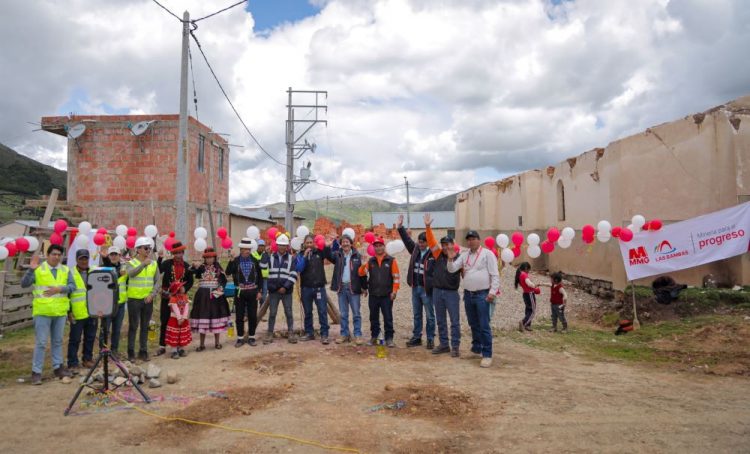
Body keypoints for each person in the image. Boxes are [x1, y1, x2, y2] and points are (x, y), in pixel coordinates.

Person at [21, 245, 75, 385]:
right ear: (48, 254)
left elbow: (72, 286)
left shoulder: (65, 269)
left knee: (57, 341)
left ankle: (58, 368)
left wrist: (60, 289)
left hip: (60, 312)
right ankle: (36, 372)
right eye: (54, 254)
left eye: (59, 255)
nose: (56, 257)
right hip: (43, 312)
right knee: (41, 343)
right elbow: (24, 284)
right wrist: (30, 270)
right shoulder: (39, 269)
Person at [446, 230, 500, 368]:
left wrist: (492, 292)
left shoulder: (487, 254)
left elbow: (495, 274)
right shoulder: (465, 255)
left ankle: (487, 354)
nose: (470, 241)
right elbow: (452, 269)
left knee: (484, 325)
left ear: (478, 239)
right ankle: (477, 348)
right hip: (468, 294)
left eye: (473, 239)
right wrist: (450, 258)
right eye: (468, 239)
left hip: (483, 294)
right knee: (473, 323)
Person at [423, 214, 462, 357]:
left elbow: (467, 274)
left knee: (455, 321)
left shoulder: (459, 258)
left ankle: (455, 346)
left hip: (452, 293)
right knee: (440, 320)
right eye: (443, 245)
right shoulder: (438, 254)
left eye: (448, 244)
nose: (445, 247)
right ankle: (444, 344)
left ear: (453, 244)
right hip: (437, 292)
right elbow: (431, 241)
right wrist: (428, 227)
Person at [396, 214, 436, 350]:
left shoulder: (433, 254)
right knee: (417, 314)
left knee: (430, 315)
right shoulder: (415, 250)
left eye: (423, 242)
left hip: (427, 290)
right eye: (419, 241)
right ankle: (417, 337)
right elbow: (407, 241)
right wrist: (400, 228)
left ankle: (430, 339)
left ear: (428, 242)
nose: (420, 244)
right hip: (415, 288)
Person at [358, 237, 400, 347]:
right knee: (373, 318)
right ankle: (374, 337)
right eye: (376, 246)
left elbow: (396, 278)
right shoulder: (370, 261)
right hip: (373, 295)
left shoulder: (391, 260)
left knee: (388, 317)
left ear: (384, 246)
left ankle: (389, 338)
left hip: (387, 295)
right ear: (374, 248)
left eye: (380, 245)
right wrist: (363, 264)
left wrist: (394, 291)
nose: (378, 248)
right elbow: (361, 273)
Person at [125, 237, 161, 363]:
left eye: (149, 248)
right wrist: (142, 264)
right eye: (145, 248)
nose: (148, 250)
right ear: (138, 249)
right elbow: (131, 274)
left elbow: (157, 281)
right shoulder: (131, 262)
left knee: (145, 326)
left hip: (148, 300)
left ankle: (143, 351)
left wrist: (152, 294)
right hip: (134, 299)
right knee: (133, 326)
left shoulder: (154, 264)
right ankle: (130, 352)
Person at [155, 241, 194, 356]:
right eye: (176, 253)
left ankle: (179, 346)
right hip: (167, 297)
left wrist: (185, 288)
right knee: (165, 320)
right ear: (173, 254)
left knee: (179, 321)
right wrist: (159, 259)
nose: (178, 255)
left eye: (180, 253)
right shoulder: (166, 264)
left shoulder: (187, 266)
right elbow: (157, 271)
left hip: (180, 300)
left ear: (183, 253)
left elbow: (191, 281)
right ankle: (162, 345)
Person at [296, 234, 335, 344]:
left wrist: (327, 246)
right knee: (308, 312)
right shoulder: (300, 255)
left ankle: (324, 334)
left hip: (319, 288)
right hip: (306, 288)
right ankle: (309, 333)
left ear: (314, 243)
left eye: (311, 242)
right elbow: (298, 269)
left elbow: (329, 255)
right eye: (307, 243)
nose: (309, 245)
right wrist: (304, 256)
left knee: (322, 311)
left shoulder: (320, 252)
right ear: (304, 244)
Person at [189, 247, 231, 350]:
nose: (209, 259)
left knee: (216, 318)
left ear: (214, 257)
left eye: (211, 257)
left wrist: (217, 293)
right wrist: (194, 266)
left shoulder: (218, 268)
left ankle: (217, 343)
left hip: (216, 297)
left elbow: (223, 280)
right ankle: (202, 344)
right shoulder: (202, 267)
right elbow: (193, 272)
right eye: (207, 258)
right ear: (204, 258)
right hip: (202, 296)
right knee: (202, 319)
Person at [226, 238, 263, 347]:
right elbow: (228, 272)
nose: (247, 251)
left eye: (248, 249)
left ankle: (252, 337)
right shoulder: (236, 261)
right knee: (239, 316)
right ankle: (240, 338)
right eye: (244, 249)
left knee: (252, 315)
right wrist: (231, 261)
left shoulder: (255, 261)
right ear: (241, 249)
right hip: (240, 292)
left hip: (253, 291)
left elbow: (260, 277)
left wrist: (259, 291)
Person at [330, 234, 366, 345]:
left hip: (353, 288)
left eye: (347, 242)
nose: (345, 244)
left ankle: (358, 335)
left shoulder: (358, 256)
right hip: (342, 288)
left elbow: (362, 273)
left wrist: (364, 287)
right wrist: (329, 244)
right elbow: (327, 254)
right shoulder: (337, 256)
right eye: (343, 242)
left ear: (351, 243)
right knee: (343, 314)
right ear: (340, 244)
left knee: (356, 313)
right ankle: (344, 334)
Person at [67, 249, 97, 373]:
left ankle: (87, 359)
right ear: (77, 259)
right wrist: (69, 311)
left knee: (90, 337)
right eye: (81, 259)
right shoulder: (71, 273)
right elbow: (67, 294)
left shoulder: (94, 272)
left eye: (86, 258)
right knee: (75, 339)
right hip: (77, 313)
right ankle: (72, 362)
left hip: (92, 311)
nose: (84, 261)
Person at [265, 234, 298, 344]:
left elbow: (293, 274)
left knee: (288, 312)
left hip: (286, 291)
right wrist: (265, 253)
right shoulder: (270, 257)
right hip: (274, 291)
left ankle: (291, 333)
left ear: (287, 246)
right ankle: (270, 333)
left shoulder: (291, 258)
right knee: (272, 313)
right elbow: (265, 272)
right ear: (277, 245)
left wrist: (285, 287)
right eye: (280, 245)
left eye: (284, 245)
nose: (282, 247)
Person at [100, 246, 129, 355]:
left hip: (120, 303)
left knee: (117, 330)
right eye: (111, 254)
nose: (113, 256)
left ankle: (114, 351)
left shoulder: (123, 268)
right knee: (105, 329)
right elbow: (108, 270)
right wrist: (105, 258)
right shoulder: (103, 267)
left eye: (115, 254)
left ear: (119, 256)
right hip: (107, 304)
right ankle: (103, 350)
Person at [165, 281, 192, 358]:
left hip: (183, 319)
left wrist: (184, 317)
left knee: (181, 334)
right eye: (182, 287)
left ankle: (181, 349)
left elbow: (187, 308)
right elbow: (175, 309)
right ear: (178, 289)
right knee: (175, 334)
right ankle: (174, 351)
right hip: (174, 319)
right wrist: (179, 318)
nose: (183, 288)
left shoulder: (185, 297)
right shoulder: (173, 299)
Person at [514, 262, 540, 332]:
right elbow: (529, 284)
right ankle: (523, 322)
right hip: (530, 294)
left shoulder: (520, 275)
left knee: (528, 309)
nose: (529, 272)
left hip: (525, 294)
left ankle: (527, 325)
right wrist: (535, 286)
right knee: (533, 311)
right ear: (526, 268)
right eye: (529, 270)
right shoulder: (524, 275)